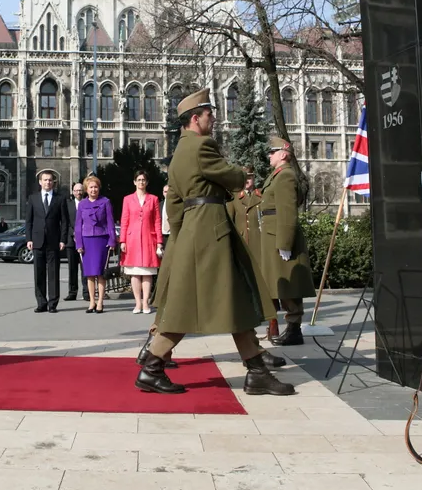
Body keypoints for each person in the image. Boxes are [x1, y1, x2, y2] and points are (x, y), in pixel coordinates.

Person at [135, 88, 293, 396]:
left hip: (197, 230)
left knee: (231, 299)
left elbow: (177, 206)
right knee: (194, 305)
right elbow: (233, 178)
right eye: (209, 114)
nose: (214, 118)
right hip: (211, 231)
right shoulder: (201, 146)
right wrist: (242, 172)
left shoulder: (179, 151)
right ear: (196, 118)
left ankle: (256, 370)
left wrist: (183, 235)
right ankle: (152, 367)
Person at [260, 137, 316, 346]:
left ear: (283, 154)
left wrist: (285, 242)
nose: (269, 155)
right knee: (280, 283)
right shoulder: (277, 176)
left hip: (279, 237)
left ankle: (294, 330)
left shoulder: (285, 176)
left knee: (289, 284)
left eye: (272, 151)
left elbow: (287, 211)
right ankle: (291, 329)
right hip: (272, 235)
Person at [227, 168, 282, 339]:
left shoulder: (262, 196)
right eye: (244, 178)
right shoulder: (235, 198)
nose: (247, 181)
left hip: (261, 247)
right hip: (244, 247)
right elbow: (229, 221)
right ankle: (248, 330)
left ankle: (273, 325)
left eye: (250, 177)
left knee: (268, 288)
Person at [120, 171, 163, 314]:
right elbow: (124, 220)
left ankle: (146, 303)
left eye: (143, 180)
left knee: (147, 272)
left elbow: (157, 221)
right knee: (135, 273)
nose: (141, 182)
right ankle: (137, 303)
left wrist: (159, 242)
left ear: (147, 182)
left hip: (149, 239)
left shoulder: (153, 199)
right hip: (132, 240)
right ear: (134, 182)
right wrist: (123, 240)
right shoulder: (127, 199)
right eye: (138, 180)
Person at [25, 169, 67, 313]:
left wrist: (63, 239)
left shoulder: (60, 199)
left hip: (54, 241)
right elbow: (29, 221)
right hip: (37, 241)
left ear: (53, 182)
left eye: (50, 180)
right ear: (40, 182)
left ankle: (52, 304)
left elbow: (64, 222)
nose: (48, 182)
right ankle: (41, 303)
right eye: (45, 180)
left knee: (53, 274)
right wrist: (29, 239)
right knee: (39, 273)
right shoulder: (33, 198)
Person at [75, 175, 117, 313]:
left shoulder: (105, 202)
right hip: (87, 240)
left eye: (96, 187)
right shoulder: (82, 204)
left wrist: (112, 240)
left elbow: (111, 223)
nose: (93, 190)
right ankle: (92, 301)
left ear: (99, 188)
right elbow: (78, 226)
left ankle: (100, 302)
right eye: (91, 187)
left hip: (101, 240)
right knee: (89, 274)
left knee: (100, 273)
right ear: (86, 189)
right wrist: (79, 244)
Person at [64, 182, 85, 301]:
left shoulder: (87, 203)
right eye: (76, 190)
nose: (78, 192)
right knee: (72, 268)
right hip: (71, 240)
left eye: (80, 190)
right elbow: (65, 222)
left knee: (85, 268)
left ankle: (86, 292)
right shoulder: (68, 205)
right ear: (72, 192)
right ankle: (72, 292)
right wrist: (74, 233)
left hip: (85, 240)